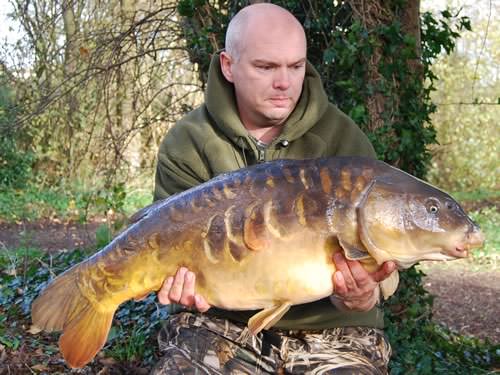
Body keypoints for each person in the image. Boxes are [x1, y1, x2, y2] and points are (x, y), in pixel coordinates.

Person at [151, 3, 396, 374]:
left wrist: (368, 293)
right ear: (229, 66)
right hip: (220, 325)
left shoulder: (344, 140)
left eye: (296, 66)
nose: (284, 83)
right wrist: (179, 287)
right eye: (266, 67)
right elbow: (161, 245)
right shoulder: (189, 142)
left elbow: (387, 258)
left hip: (332, 329)